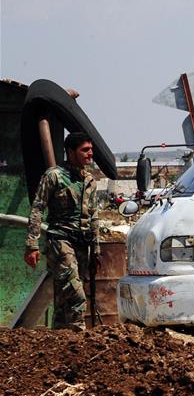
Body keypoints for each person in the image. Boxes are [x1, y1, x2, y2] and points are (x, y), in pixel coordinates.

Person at [24, 132, 99, 329]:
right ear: (70, 152)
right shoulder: (54, 176)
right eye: (85, 150)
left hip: (82, 244)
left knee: (63, 300)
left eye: (91, 150)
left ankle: (60, 344)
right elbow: (37, 208)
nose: (90, 154)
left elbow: (94, 216)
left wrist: (96, 250)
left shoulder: (90, 180)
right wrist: (32, 245)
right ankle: (79, 338)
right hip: (60, 241)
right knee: (76, 294)